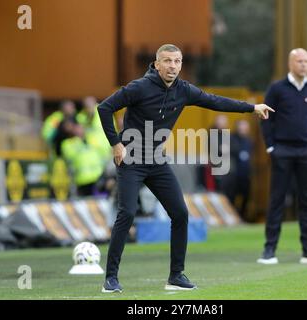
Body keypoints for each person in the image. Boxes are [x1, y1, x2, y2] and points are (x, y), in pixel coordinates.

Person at [97, 44, 274, 293]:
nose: (173, 66)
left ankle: (176, 276)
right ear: (156, 64)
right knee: (126, 213)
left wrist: (252, 108)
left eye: (177, 61)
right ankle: (111, 278)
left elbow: (215, 101)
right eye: (167, 61)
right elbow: (104, 108)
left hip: (157, 161)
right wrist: (116, 144)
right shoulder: (139, 87)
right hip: (131, 161)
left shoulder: (184, 90)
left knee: (180, 213)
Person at [259, 48, 307, 265]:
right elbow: (265, 117)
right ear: (290, 64)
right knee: (277, 200)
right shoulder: (277, 89)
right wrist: (271, 147)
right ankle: (269, 250)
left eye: (306, 61)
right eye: (299, 61)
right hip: (283, 151)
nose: (303, 65)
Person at [227, 119, 254, 220]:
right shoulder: (232, 139)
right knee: (232, 196)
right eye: (242, 126)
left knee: (246, 196)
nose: (243, 129)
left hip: (245, 174)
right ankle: (233, 217)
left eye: (245, 126)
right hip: (233, 174)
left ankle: (242, 216)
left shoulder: (249, 141)